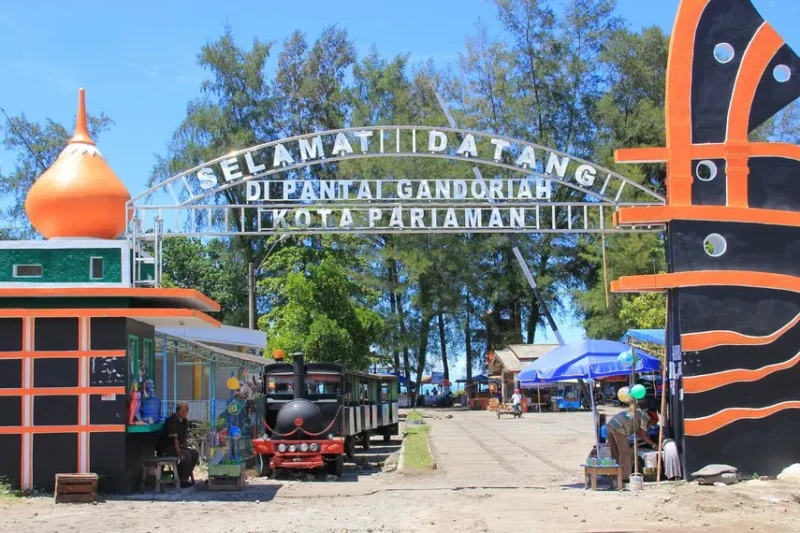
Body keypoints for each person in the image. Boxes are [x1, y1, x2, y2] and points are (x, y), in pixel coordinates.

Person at [606, 404, 656, 482]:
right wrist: (653, 444)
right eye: (653, 424)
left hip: (610, 425)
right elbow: (643, 435)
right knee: (625, 454)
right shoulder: (645, 417)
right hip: (619, 428)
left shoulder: (639, 413)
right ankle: (624, 477)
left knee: (615, 453)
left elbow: (638, 431)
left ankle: (614, 475)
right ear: (651, 420)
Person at [157, 402, 198, 487]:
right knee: (186, 455)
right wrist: (180, 453)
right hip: (167, 448)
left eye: (186, 411)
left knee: (195, 453)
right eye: (182, 410)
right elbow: (175, 438)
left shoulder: (184, 421)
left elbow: (184, 437)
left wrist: (185, 447)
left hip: (176, 447)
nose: (184, 412)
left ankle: (183, 477)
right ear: (177, 411)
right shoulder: (173, 420)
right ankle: (182, 481)